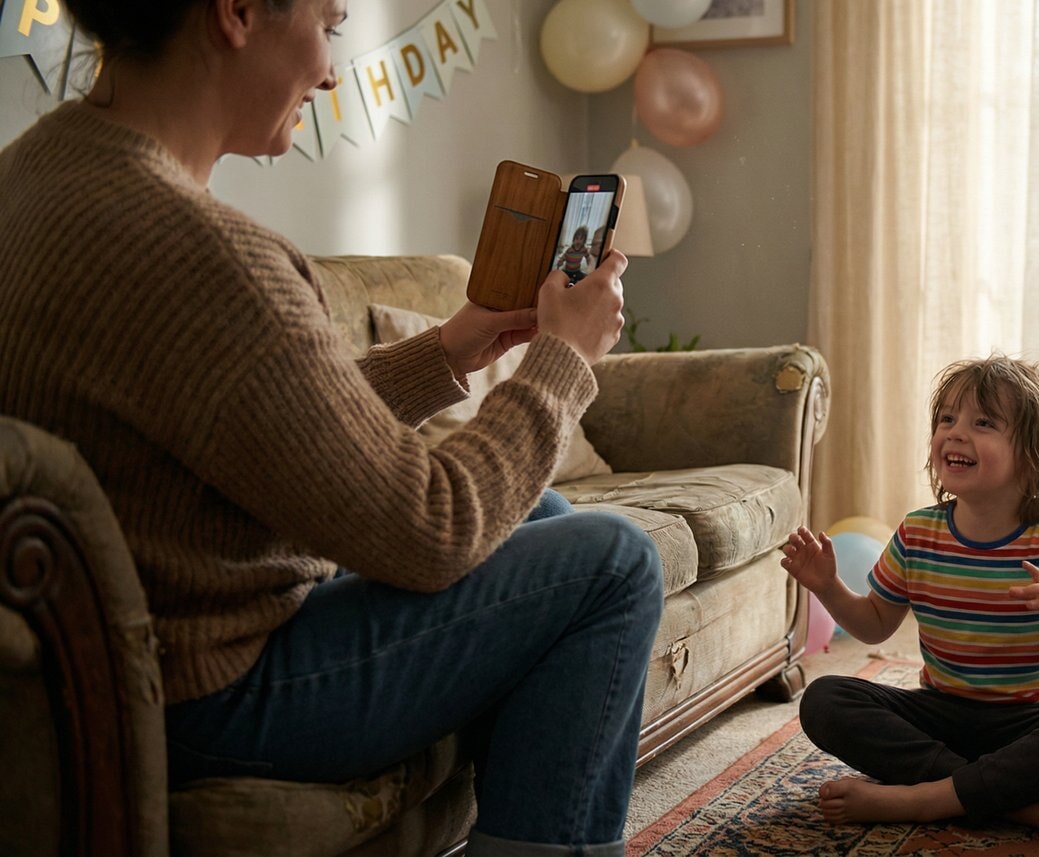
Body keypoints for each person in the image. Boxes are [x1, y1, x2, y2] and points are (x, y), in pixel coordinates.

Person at [0, 1, 662, 855]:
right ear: (236, 13)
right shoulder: (206, 252)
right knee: (614, 562)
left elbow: (270, 418)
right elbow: (433, 527)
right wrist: (563, 361)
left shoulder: (38, 171)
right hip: (208, 691)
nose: (330, 70)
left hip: (124, 649)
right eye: (329, 24)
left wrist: (451, 349)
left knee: (546, 523)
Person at [780, 355, 1039, 837]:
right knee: (824, 699)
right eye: (946, 419)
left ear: (1034, 455)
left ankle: (929, 798)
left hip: (1034, 723)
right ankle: (1001, 797)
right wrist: (827, 586)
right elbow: (872, 625)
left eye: (983, 423)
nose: (954, 432)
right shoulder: (917, 532)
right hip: (943, 716)